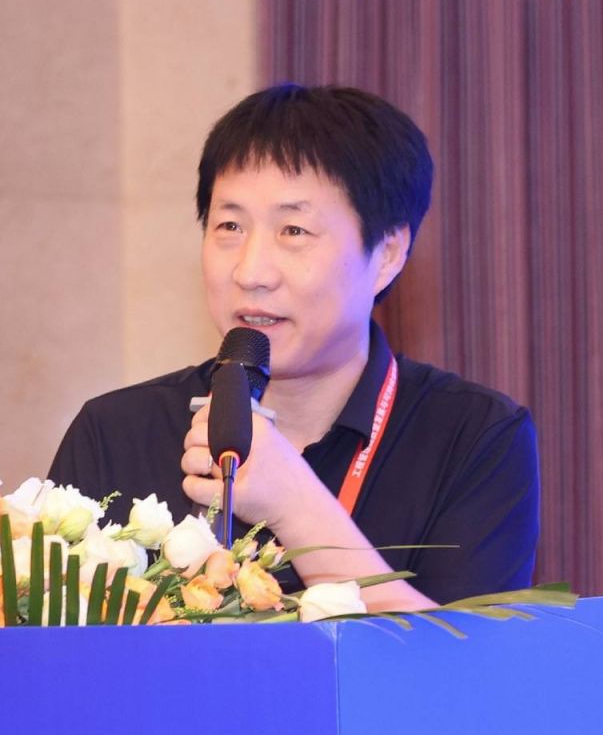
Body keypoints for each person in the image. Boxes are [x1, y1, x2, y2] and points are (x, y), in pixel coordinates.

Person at [47, 84, 538, 610]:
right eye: (230, 225)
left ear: (387, 254)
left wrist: (294, 505)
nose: (251, 271)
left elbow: (467, 660)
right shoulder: (115, 433)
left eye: (294, 230)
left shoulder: (474, 437)